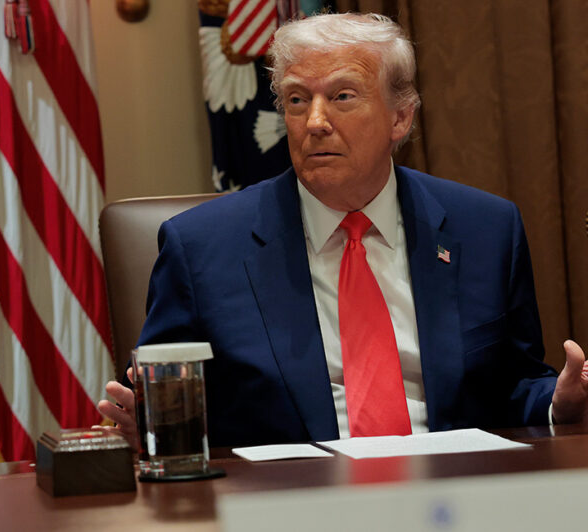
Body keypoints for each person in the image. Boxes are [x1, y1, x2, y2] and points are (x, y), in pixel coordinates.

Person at [98, 13, 588, 449]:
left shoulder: (485, 229)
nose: (314, 122)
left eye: (342, 97)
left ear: (401, 116)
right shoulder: (202, 247)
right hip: (288, 502)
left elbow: (516, 385)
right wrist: (150, 422)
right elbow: (168, 403)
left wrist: (559, 402)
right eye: (296, 99)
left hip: (452, 498)